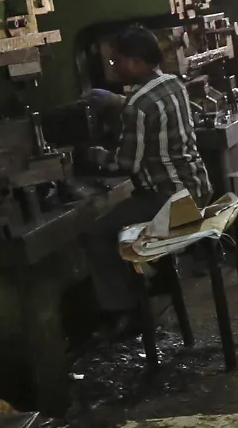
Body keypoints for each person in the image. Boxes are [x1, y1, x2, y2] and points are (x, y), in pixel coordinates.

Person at [88, 24, 212, 317]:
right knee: (127, 216)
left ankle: (126, 310)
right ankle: (156, 278)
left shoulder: (137, 106)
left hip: (170, 203)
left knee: (97, 233)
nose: (114, 67)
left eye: (116, 60)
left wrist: (95, 156)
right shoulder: (174, 83)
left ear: (133, 61)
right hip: (198, 189)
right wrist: (121, 103)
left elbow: (126, 164)